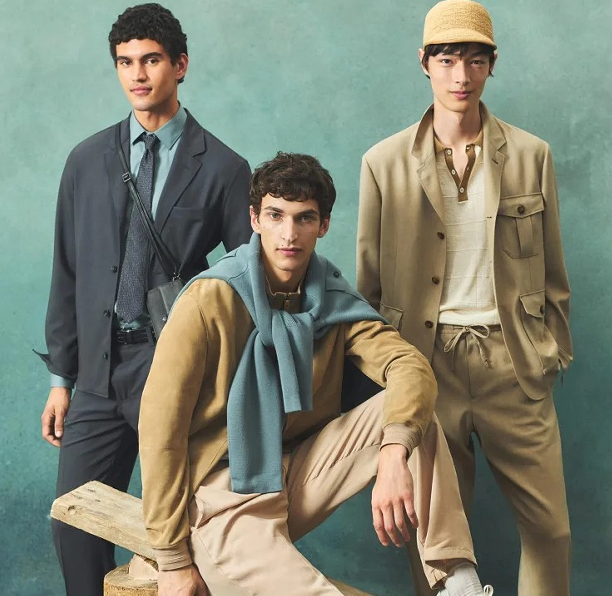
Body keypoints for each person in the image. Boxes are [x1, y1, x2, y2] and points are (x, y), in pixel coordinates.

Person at [138, 152, 493, 596]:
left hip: (295, 474)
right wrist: (172, 559)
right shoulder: (208, 300)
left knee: (409, 414)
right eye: (276, 215)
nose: (289, 234)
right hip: (220, 497)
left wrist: (392, 452)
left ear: (323, 225)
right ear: (255, 219)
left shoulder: (331, 296)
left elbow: (409, 367)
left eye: (304, 218)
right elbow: (160, 431)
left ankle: (458, 583)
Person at [356, 1, 572, 595]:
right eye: (448, 60)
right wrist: (386, 381)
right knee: (434, 542)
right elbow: (368, 288)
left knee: (550, 530)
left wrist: (551, 351)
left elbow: (554, 272)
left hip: (514, 362)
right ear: (424, 63)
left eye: (475, 60)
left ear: (491, 66)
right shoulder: (382, 163)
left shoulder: (531, 155)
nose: (461, 76)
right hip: (424, 365)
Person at [38, 4, 252, 595]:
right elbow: (66, 270)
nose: (138, 74)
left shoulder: (225, 167)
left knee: (190, 530)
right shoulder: (86, 160)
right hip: (98, 373)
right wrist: (61, 379)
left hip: (178, 370)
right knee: (74, 522)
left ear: (180, 65)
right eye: (126, 62)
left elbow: (248, 283)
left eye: (151, 60)